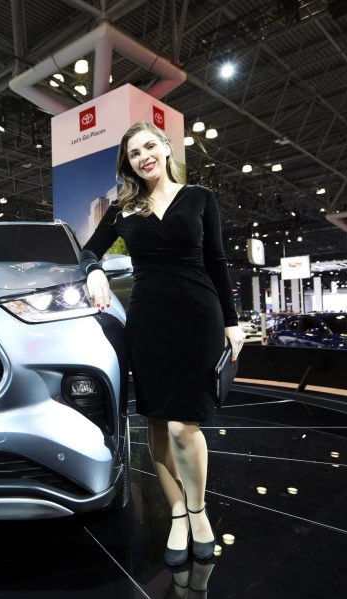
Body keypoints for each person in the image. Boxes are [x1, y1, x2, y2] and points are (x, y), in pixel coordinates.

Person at [79, 120, 245, 566]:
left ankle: (198, 510)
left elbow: (217, 259)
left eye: (149, 146)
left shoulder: (199, 198)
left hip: (199, 315)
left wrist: (232, 321)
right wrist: (93, 270)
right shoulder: (122, 207)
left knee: (183, 424)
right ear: (128, 163)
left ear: (167, 147)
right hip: (149, 320)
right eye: (134, 154)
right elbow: (87, 250)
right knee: (155, 422)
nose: (143, 157)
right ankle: (175, 511)